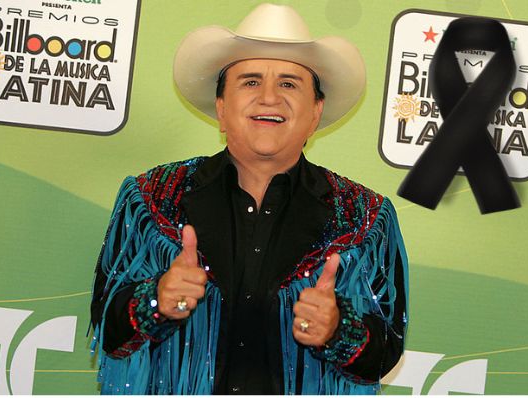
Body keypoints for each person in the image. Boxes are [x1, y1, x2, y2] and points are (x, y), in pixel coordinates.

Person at [90, 3, 409, 395]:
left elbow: (387, 353)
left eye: (289, 83)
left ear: (315, 113)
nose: (270, 98)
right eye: (251, 82)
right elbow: (107, 333)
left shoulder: (365, 219)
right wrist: (155, 300)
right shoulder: (150, 198)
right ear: (221, 108)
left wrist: (339, 330)